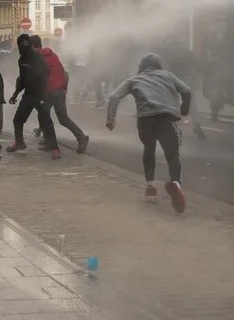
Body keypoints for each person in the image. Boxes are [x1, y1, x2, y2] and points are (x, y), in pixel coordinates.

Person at [106, 52, 190, 214]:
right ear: (159, 65)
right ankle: (176, 185)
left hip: (145, 121)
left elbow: (115, 96)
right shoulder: (168, 76)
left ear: (142, 66)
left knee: (149, 150)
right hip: (166, 119)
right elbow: (186, 91)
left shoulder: (134, 79)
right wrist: (183, 110)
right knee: (172, 155)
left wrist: (111, 119)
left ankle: (150, 187)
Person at [30, 35, 89, 153]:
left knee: (45, 115)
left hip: (49, 91)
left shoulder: (36, 58)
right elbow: (64, 73)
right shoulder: (53, 55)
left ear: (32, 46)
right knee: (61, 118)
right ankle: (80, 138)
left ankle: (50, 141)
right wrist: (64, 88)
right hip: (59, 90)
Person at [7, 34, 60, 159]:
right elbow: (22, 79)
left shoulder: (37, 57)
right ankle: (19, 143)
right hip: (28, 95)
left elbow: (46, 72)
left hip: (40, 94)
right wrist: (15, 94)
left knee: (46, 121)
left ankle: (55, 149)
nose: (24, 48)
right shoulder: (22, 60)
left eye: (26, 45)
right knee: (18, 120)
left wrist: (39, 80)